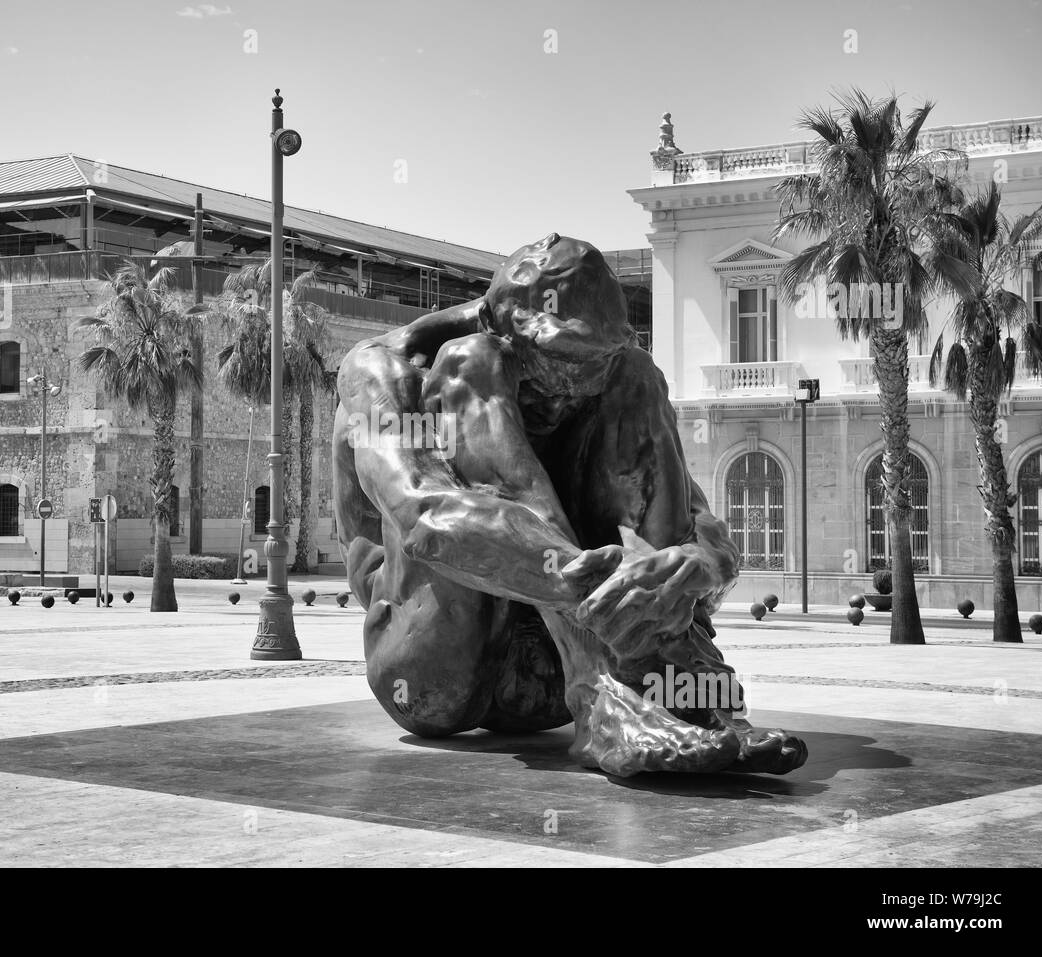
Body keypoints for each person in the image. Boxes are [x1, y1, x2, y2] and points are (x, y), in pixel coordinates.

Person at [332, 234, 806, 776]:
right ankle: (604, 700)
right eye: (558, 359)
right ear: (495, 321)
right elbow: (424, 517)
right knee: (470, 366)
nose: (577, 382)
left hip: (556, 677)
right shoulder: (387, 370)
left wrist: (692, 567)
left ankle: (684, 686)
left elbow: (698, 523)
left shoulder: (616, 372)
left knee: (639, 374)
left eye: (594, 359)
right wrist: (585, 580)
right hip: (436, 671)